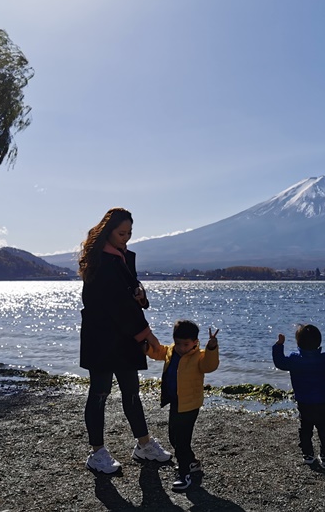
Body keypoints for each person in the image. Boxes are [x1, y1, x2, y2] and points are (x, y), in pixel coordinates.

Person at [78, 207, 172, 474]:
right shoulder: (101, 262)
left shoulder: (122, 257)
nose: (126, 238)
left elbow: (129, 294)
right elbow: (118, 305)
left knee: (132, 392)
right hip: (102, 336)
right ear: (108, 232)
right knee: (99, 393)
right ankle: (97, 452)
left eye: (129, 233)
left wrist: (142, 297)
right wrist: (149, 336)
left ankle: (143, 445)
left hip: (123, 335)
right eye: (122, 233)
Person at [145, 319, 220, 492]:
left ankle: (184, 474)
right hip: (175, 401)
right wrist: (147, 348)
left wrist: (211, 347)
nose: (181, 347)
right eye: (178, 343)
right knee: (173, 436)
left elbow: (210, 366)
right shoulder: (172, 351)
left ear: (195, 342)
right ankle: (192, 462)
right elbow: (159, 352)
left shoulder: (199, 356)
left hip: (191, 404)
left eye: (186, 344)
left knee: (182, 440)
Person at [272, 324, 325, 467]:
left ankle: (308, 454)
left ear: (298, 342)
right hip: (322, 401)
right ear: (318, 342)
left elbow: (279, 362)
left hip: (304, 401)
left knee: (305, 428)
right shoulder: (323, 359)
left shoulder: (294, 359)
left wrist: (279, 345)